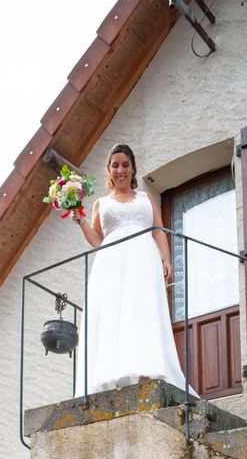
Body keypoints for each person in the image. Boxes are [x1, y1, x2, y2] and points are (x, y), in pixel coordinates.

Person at [72, 144, 198, 398]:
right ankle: (114, 374)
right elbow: (98, 240)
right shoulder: (101, 203)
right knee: (114, 314)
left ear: (132, 169)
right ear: (109, 170)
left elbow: (158, 230)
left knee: (142, 311)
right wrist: (81, 221)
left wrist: (166, 259)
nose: (120, 170)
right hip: (112, 263)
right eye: (115, 165)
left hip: (143, 259)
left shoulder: (145, 198)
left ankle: (145, 372)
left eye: (125, 165)